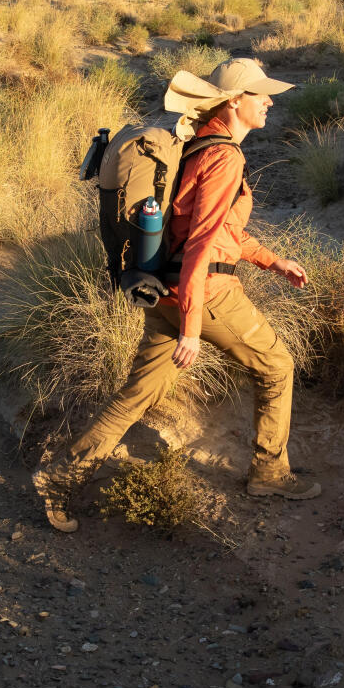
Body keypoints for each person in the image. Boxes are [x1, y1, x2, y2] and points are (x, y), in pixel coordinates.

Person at [34, 56, 323, 530]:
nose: (270, 102)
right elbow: (201, 246)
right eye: (260, 94)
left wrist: (273, 261)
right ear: (233, 102)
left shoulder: (193, 145)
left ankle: (62, 479)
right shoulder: (226, 156)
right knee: (277, 367)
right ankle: (270, 472)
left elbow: (214, 229)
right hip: (205, 294)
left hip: (164, 289)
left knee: (136, 395)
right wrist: (192, 329)